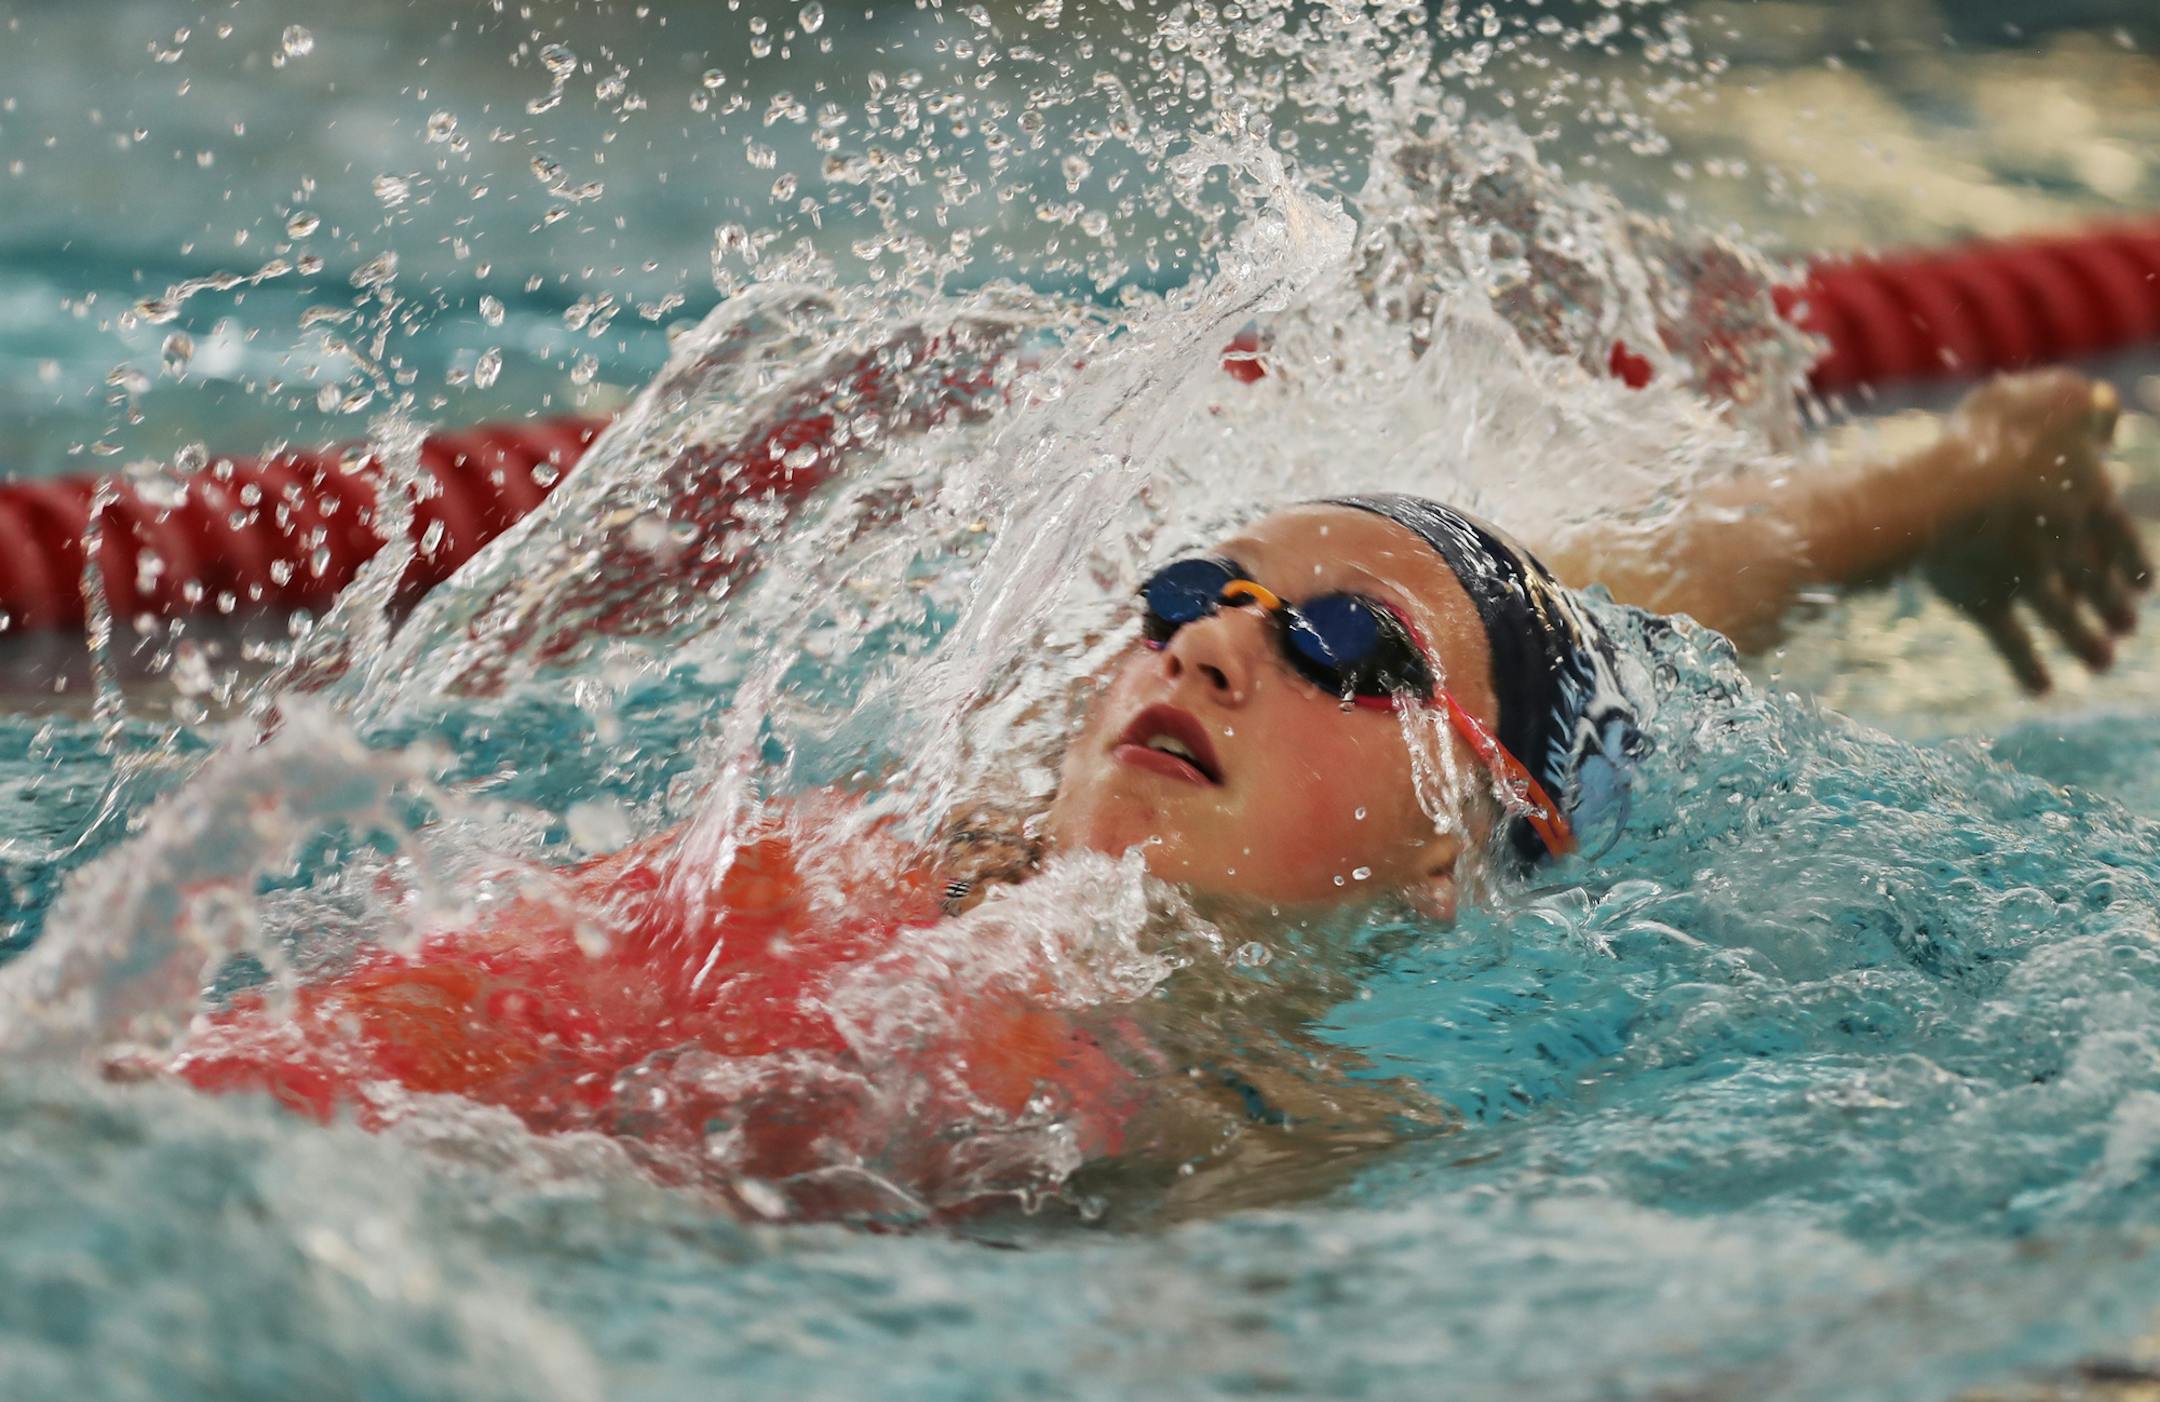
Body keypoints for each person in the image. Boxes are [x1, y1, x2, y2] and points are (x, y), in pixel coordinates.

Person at [164, 363, 2143, 1223]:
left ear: (1486, 830)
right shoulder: (947, 827)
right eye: (1201, 594)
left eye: (1341, 654)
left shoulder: (1291, 1128)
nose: (1209, 646)